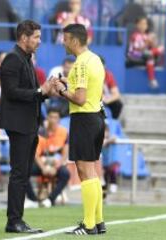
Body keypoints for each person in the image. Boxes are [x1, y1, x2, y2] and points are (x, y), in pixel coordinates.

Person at [0, 20, 55, 234]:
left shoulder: (25, 59)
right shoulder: (13, 59)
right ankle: (14, 220)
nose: (39, 42)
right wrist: (41, 91)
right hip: (19, 125)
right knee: (19, 173)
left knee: (22, 173)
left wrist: (47, 91)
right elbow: (11, 92)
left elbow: (30, 94)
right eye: (36, 37)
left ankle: (17, 219)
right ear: (24, 37)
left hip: (28, 124)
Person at [51, 23, 106, 235]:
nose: (62, 43)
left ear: (74, 40)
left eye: (65, 39)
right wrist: (69, 83)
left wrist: (63, 90)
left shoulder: (81, 63)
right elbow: (90, 92)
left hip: (84, 119)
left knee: (84, 171)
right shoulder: (95, 59)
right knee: (91, 171)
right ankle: (98, 222)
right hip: (97, 117)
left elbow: (80, 99)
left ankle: (89, 224)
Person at [25, 107, 70, 208]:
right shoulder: (40, 132)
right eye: (51, 117)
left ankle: (50, 199)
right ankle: (33, 199)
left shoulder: (63, 132)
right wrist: (43, 168)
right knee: (23, 171)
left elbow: (65, 154)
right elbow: (36, 154)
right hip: (41, 164)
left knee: (66, 174)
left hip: (55, 164)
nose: (53, 120)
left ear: (59, 119)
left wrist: (56, 167)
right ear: (47, 118)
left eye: (56, 117)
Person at [127, 16, 164, 89]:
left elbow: (152, 47)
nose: (143, 26)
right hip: (134, 54)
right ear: (137, 25)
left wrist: (152, 41)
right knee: (150, 55)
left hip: (144, 54)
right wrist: (147, 42)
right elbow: (138, 49)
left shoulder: (146, 35)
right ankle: (152, 80)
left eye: (145, 24)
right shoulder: (135, 35)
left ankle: (152, 79)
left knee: (158, 50)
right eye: (141, 24)